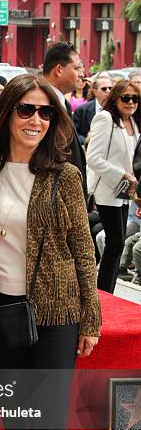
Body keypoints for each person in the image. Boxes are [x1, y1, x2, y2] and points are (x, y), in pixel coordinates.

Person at [0, 73, 101, 430]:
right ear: (8, 113)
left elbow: (83, 250)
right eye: (26, 110)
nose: (35, 120)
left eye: (45, 112)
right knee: (18, 418)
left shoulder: (64, 176)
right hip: (3, 309)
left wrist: (90, 317)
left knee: (47, 419)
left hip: (57, 311)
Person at [86, 79, 140, 293]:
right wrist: (121, 175)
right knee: (115, 242)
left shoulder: (134, 123)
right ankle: (104, 292)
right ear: (115, 98)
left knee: (116, 243)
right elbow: (94, 158)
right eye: (125, 98)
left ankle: (107, 291)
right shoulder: (105, 119)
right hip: (107, 191)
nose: (130, 102)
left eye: (135, 98)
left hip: (125, 192)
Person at [42, 42, 87, 197]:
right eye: (76, 68)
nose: (82, 74)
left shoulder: (64, 103)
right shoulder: (40, 104)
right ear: (59, 70)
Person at [73, 73, 114, 146]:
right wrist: (87, 140)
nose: (108, 91)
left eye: (110, 88)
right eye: (104, 89)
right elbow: (74, 133)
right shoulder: (81, 111)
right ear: (95, 91)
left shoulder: (118, 109)